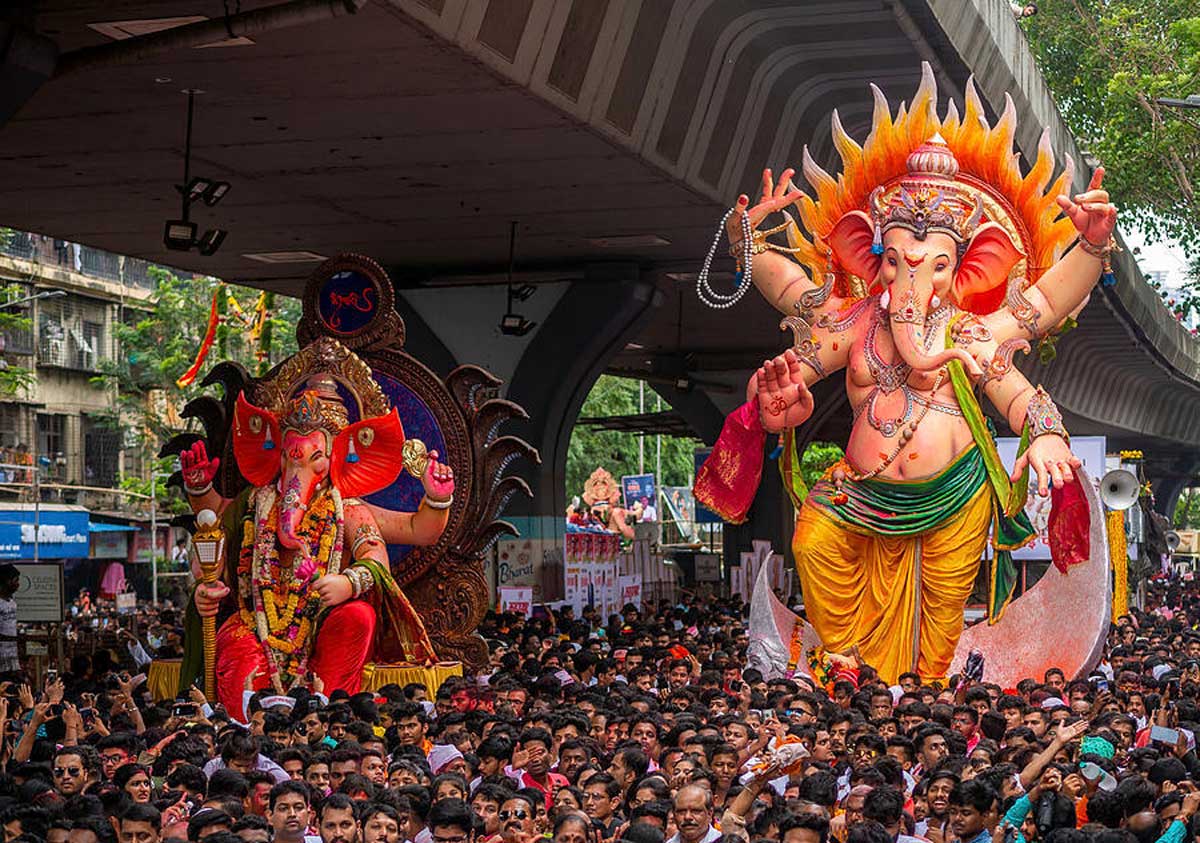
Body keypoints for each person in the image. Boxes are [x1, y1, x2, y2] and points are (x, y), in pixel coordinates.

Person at [0, 564, 19, 675]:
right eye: (15, 581)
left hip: (11, 658)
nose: (18, 584)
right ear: (7, 581)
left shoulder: (12, 601)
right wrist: (18, 638)